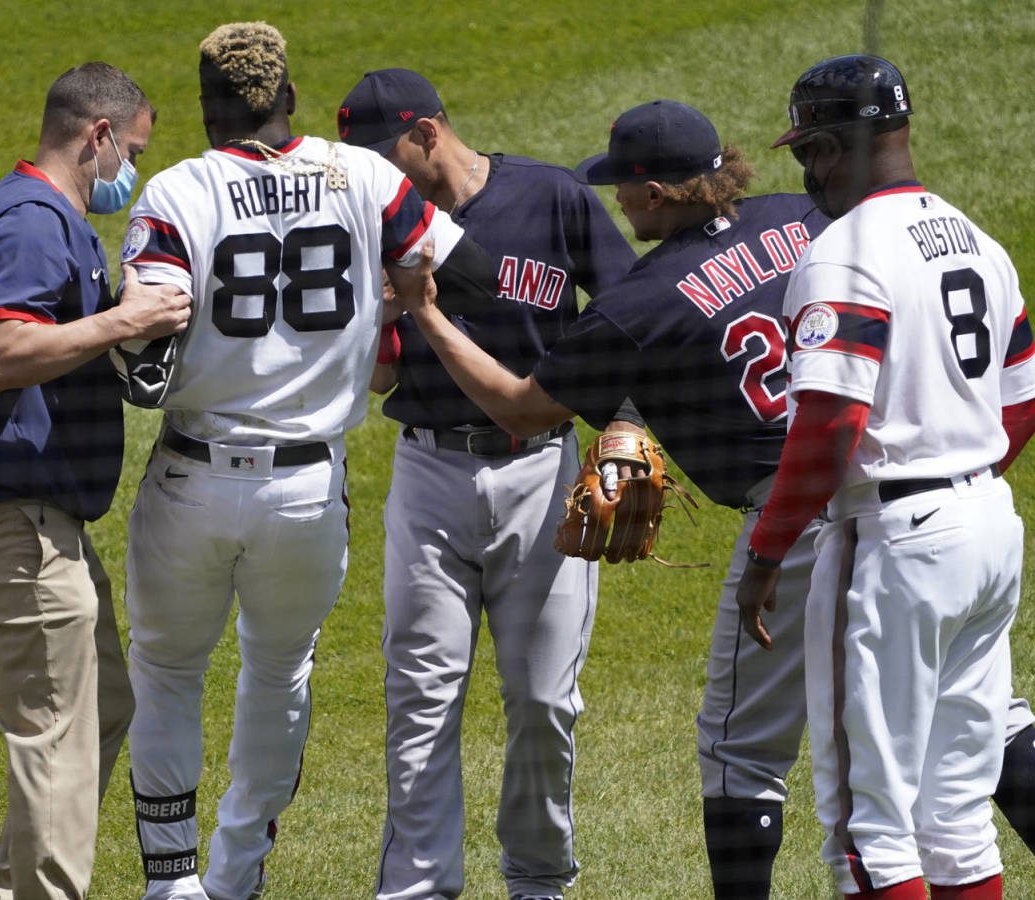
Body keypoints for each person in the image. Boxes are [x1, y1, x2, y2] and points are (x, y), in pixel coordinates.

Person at [391, 99, 835, 898]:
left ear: (657, 195)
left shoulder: (643, 302)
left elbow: (525, 408)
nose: (615, 203)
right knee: (966, 715)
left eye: (623, 189)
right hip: (890, 482)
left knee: (740, 752)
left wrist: (423, 310)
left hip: (791, 512)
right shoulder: (803, 216)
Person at [117, 23, 505, 900]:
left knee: (168, 671)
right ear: (287, 97)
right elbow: (474, 272)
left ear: (207, 108)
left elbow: (143, 353)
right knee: (278, 669)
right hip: (305, 489)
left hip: (193, 479)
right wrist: (392, 300)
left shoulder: (180, 190)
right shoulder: (362, 175)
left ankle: (171, 885)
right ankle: (237, 873)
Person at [734, 55, 1035, 900]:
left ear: (831, 150)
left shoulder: (841, 254)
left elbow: (829, 427)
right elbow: (1023, 396)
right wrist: (952, 467)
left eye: (807, 153)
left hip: (895, 543)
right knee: (956, 814)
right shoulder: (978, 239)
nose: (806, 173)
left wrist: (766, 556)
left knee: (870, 826)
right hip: (986, 529)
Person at [336, 68, 636, 900]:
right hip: (430, 473)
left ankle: (539, 881)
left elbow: (631, 311)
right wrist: (387, 320)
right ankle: (418, 887)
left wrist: (626, 425)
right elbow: (375, 376)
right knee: (420, 700)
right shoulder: (369, 221)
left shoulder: (551, 197)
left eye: (381, 153)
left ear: (428, 133)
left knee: (544, 701)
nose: (373, 174)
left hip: (542, 476)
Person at [0, 62, 190, 900]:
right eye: (132, 149)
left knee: (99, 706)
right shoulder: (33, 221)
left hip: (32, 522)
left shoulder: (44, 216)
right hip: (10, 528)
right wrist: (124, 320)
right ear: (98, 135)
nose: (131, 170)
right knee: (57, 741)